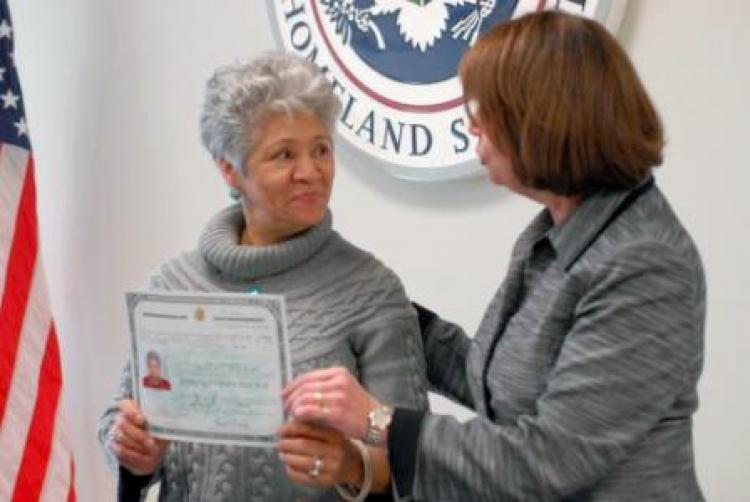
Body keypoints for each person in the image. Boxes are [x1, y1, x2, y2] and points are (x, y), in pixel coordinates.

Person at [282, 11, 706, 501]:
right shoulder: (553, 232)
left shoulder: (643, 264)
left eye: (484, 116)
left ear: (541, 119)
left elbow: (544, 461)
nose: (472, 131)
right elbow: (494, 385)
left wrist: (378, 423)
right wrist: (384, 307)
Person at [98, 52, 428, 501]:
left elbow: (415, 465)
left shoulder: (372, 291)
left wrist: (352, 465)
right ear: (230, 168)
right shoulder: (173, 286)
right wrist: (133, 450)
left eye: (321, 149)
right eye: (283, 155)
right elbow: (121, 424)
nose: (310, 172)